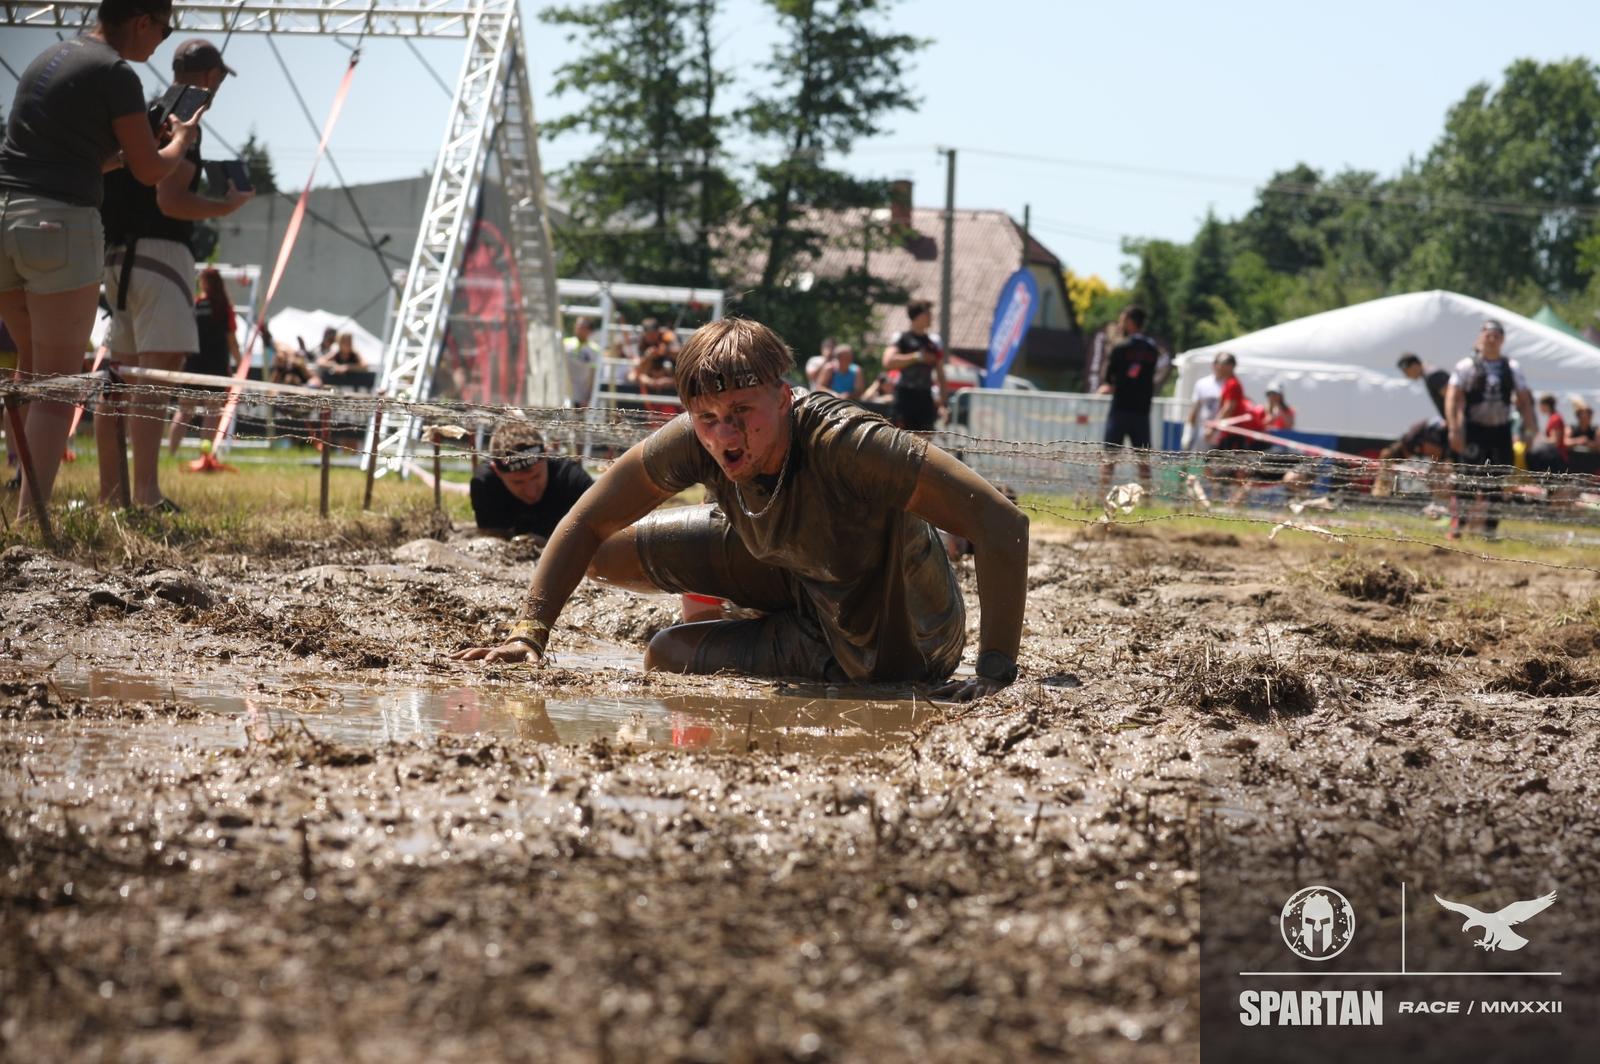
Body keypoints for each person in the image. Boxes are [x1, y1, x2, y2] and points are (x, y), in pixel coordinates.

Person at [452, 317, 1028, 702]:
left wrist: (995, 670)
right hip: (795, 577)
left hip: (892, 633)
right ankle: (759, 610)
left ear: (784, 398)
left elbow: (1003, 523)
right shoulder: (696, 437)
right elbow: (585, 520)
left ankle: (768, 620)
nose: (725, 435)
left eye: (742, 412)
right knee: (617, 575)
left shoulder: (848, 443)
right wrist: (529, 634)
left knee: (669, 651)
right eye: (707, 418)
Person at [0, 0, 201, 520]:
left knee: (29, 369)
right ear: (142, 21)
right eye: (164, 30)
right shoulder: (116, 72)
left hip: (5, 218)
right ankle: (30, 522)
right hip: (58, 225)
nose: (161, 41)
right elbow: (150, 172)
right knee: (57, 384)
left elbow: (91, 158)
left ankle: (17, 487)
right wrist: (180, 141)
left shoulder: (47, 58)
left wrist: (137, 149)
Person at [94, 36, 252, 509]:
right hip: (161, 258)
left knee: (118, 380)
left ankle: (112, 493)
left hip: (118, 259)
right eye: (219, 78)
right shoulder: (188, 122)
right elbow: (171, 200)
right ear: (210, 76)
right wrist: (224, 207)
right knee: (155, 379)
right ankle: (146, 492)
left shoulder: (144, 113)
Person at [1444, 318, 1536, 539]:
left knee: (1498, 480)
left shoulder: (1511, 368)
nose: (1492, 340)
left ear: (1502, 340)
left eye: (1496, 336)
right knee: (1466, 478)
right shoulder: (1466, 366)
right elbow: (1452, 396)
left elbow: (1524, 399)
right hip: (1474, 430)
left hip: (1501, 431)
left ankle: (1490, 530)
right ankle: (1458, 526)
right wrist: (1454, 428)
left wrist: (1530, 428)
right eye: (1488, 335)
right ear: (1481, 337)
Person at [468, 422, 594, 541]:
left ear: (546, 455)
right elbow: (492, 541)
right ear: (496, 471)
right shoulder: (486, 485)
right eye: (518, 482)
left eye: (536, 476)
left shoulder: (571, 479)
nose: (531, 492)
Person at [166, 267, 238, 454]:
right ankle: (205, 456)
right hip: (217, 366)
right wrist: (240, 363)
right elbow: (232, 340)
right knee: (212, 413)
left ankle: (171, 453)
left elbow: (183, 335)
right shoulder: (225, 308)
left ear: (204, 283)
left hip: (194, 364)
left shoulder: (195, 305)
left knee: (184, 411)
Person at [1096, 304, 1160, 498]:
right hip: (1141, 411)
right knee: (1143, 459)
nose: (1120, 323)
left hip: (1120, 409)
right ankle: (1147, 499)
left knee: (1109, 457)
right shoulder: (1152, 349)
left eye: (1122, 320)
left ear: (1130, 322)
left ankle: (1101, 495)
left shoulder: (1120, 347)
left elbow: (1109, 377)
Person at [882, 299, 946, 432]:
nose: (931, 317)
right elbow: (888, 361)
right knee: (899, 438)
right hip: (904, 397)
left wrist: (943, 403)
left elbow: (941, 374)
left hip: (925, 397)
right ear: (918, 316)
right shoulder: (901, 338)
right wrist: (917, 357)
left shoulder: (934, 342)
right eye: (927, 314)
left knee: (925, 440)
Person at [1184, 353, 1227, 450]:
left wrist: (1214, 428)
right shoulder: (1202, 383)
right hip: (1203, 428)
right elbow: (1195, 408)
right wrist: (1188, 431)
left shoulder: (1229, 384)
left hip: (1221, 430)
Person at [627, 318, 679, 394]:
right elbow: (637, 370)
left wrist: (666, 351)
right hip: (649, 379)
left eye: (653, 334)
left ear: (658, 331)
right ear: (644, 333)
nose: (651, 338)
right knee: (632, 376)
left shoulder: (668, 336)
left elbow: (680, 354)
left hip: (671, 378)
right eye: (649, 335)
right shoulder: (641, 343)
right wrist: (647, 357)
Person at [1397, 352, 1450, 418]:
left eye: (1406, 372)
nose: (1407, 376)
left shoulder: (1433, 375)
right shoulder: (1428, 374)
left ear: (1414, 366)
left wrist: (1452, 420)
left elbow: (1453, 398)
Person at [1526, 393, 1568, 474]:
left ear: (1546, 405)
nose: (1539, 408)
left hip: (1557, 457)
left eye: (1540, 405)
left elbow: (1555, 441)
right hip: (1554, 455)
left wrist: (1540, 440)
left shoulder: (1555, 418)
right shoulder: (1553, 417)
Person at [562, 316, 600, 407]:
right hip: (563, 394)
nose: (578, 328)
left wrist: (589, 398)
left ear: (589, 330)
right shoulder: (565, 343)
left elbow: (594, 376)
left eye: (582, 326)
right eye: (577, 325)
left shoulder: (595, 350)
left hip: (581, 398)